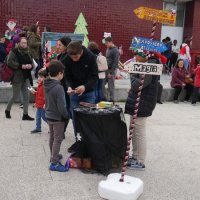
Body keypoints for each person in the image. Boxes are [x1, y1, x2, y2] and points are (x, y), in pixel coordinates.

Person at [125, 49, 159, 170]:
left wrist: (132, 73)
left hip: (144, 102)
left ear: (145, 55)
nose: (134, 56)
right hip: (138, 101)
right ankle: (135, 156)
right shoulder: (144, 65)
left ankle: (140, 160)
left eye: (136, 54)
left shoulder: (151, 65)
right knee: (133, 129)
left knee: (139, 131)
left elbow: (138, 85)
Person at [64, 41, 98, 152]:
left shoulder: (91, 57)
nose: (74, 59)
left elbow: (94, 77)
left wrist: (85, 86)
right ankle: (79, 141)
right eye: (72, 57)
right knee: (75, 118)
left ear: (81, 51)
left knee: (88, 118)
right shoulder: (67, 58)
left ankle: (88, 142)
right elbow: (67, 76)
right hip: (74, 93)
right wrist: (68, 87)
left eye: (76, 57)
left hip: (88, 92)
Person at [44, 60, 69, 172]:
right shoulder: (59, 88)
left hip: (49, 115)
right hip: (58, 117)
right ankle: (54, 163)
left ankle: (53, 155)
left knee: (52, 137)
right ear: (60, 73)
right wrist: (66, 115)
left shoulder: (46, 84)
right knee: (57, 139)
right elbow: (62, 106)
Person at [5, 37, 34, 120]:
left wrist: (30, 66)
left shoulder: (28, 52)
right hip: (17, 77)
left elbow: (31, 61)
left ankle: (25, 114)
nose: (24, 44)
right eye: (22, 43)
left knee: (26, 96)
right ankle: (7, 110)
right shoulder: (14, 51)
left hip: (26, 77)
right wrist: (21, 66)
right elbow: (9, 62)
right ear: (19, 43)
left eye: (25, 43)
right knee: (15, 95)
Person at [102, 36, 119, 102]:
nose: (106, 45)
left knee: (110, 86)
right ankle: (104, 97)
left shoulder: (115, 50)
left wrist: (111, 72)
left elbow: (116, 62)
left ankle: (112, 100)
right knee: (102, 84)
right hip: (106, 69)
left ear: (110, 42)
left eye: (106, 43)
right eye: (105, 43)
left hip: (111, 70)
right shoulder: (108, 49)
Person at [30, 69, 47, 133]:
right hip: (39, 104)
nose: (39, 78)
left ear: (45, 78)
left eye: (41, 77)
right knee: (38, 117)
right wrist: (34, 93)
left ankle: (52, 126)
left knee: (44, 117)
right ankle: (38, 128)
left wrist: (45, 104)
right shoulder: (40, 85)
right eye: (38, 77)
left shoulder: (44, 86)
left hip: (42, 105)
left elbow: (46, 97)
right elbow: (39, 95)